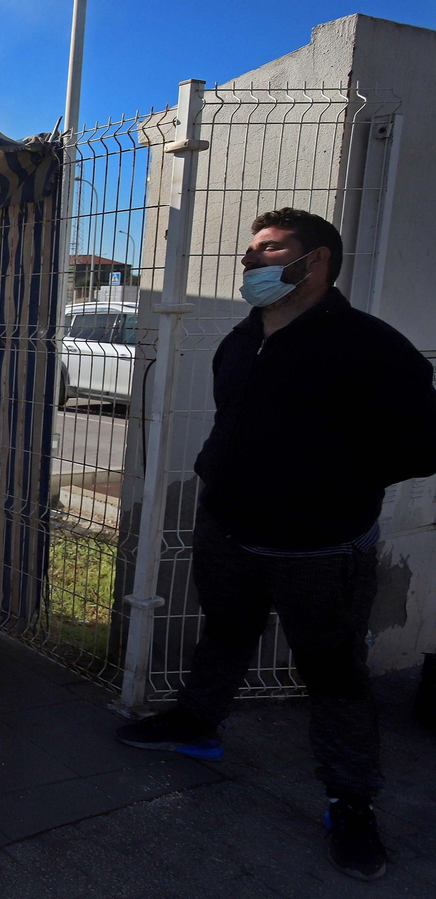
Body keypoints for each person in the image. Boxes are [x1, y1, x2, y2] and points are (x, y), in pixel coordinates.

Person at [115, 208, 436, 881]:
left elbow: (422, 442)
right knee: (225, 632)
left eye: (269, 250)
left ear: (314, 261)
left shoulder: (370, 346)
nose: (250, 262)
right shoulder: (242, 338)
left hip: (320, 548)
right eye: (250, 251)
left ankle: (351, 800)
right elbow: (234, 418)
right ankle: (197, 724)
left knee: (335, 673)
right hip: (228, 529)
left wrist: (333, 484)